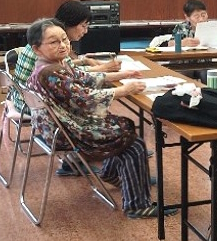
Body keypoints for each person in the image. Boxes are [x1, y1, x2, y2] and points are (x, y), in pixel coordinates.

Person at [25, 18, 174, 219]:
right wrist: (124, 90)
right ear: (37, 49)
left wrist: (121, 75)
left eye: (64, 39)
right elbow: (85, 98)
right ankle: (137, 206)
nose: (63, 45)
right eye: (54, 42)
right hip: (67, 132)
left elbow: (84, 78)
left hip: (60, 126)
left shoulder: (53, 64)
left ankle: (112, 174)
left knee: (124, 127)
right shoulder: (51, 72)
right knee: (132, 143)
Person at [12, 0, 121, 113]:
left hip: (22, 97)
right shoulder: (51, 47)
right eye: (83, 26)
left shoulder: (44, 36)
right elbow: (74, 74)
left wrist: (85, 61)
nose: (86, 31)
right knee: (90, 104)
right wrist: (104, 68)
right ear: (70, 23)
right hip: (33, 105)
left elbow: (68, 68)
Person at [167, 0, 217, 83]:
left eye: (203, 15)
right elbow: (170, 44)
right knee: (184, 74)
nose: (201, 19)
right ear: (187, 17)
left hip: (204, 63)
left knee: (208, 74)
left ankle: (211, 91)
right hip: (183, 63)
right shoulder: (181, 27)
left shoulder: (212, 27)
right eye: (197, 16)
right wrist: (183, 43)